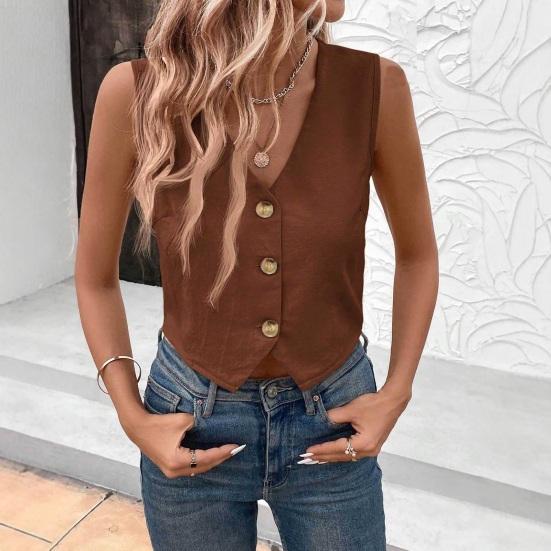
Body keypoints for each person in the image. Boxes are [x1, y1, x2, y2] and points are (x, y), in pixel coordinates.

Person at [75, 0, 439, 549]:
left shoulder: (374, 87)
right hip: (192, 421)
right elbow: (94, 276)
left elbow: (418, 255)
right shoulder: (139, 92)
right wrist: (130, 413)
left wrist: (397, 391)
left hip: (333, 418)